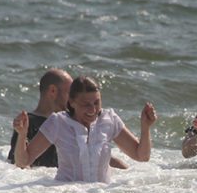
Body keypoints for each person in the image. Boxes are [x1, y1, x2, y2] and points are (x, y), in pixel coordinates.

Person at [12, 76, 156, 183]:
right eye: (86, 104)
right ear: (72, 103)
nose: (93, 109)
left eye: (96, 102)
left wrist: (145, 127)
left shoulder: (109, 120)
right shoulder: (58, 122)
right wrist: (22, 134)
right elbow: (22, 162)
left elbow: (141, 156)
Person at [8, 69, 128, 170]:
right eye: (70, 93)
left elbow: (94, 155)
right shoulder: (29, 123)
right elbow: (18, 165)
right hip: (45, 187)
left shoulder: (72, 123)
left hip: (71, 188)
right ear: (53, 91)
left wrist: (128, 174)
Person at [8, 68, 72, 168]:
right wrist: (22, 134)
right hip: (39, 182)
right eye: (69, 93)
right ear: (53, 91)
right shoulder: (27, 124)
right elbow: (16, 166)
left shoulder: (70, 122)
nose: (72, 99)